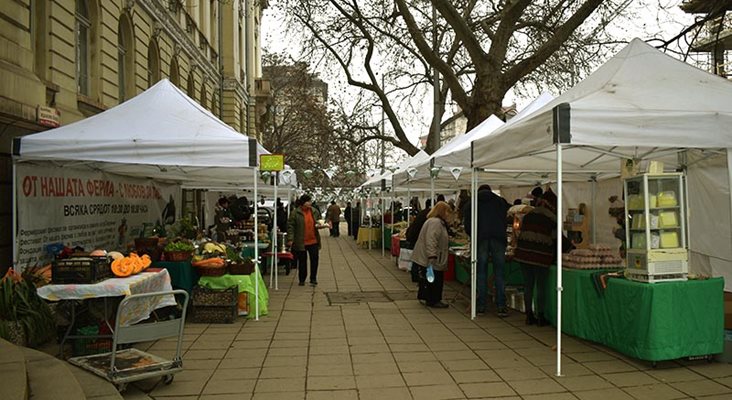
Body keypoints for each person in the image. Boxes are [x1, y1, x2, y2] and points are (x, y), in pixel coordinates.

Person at [514, 190, 560, 326]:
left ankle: (529, 315)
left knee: (528, 285)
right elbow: (556, 239)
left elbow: (521, 232)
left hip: (524, 254)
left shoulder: (529, 215)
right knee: (540, 286)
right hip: (541, 255)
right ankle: (540, 316)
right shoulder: (552, 218)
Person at [463, 184, 510, 316]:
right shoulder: (500, 201)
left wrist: (472, 234)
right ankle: (501, 306)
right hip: (498, 238)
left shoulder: (472, 202)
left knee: (481, 272)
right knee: (499, 273)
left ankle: (481, 305)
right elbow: (506, 218)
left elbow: (467, 223)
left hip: (480, 238)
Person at [411, 201, 452, 308]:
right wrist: (432, 255)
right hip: (432, 257)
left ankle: (426, 297)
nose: (448, 214)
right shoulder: (436, 223)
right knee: (434, 279)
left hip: (429, 256)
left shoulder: (434, 222)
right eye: (447, 212)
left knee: (429, 277)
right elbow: (431, 240)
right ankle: (433, 300)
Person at [287, 194, 322, 286]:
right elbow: (290, 227)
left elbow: (319, 221)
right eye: (308, 201)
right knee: (302, 261)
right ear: (303, 203)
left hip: (313, 240)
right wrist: (290, 239)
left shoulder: (314, 211)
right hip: (301, 241)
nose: (310, 203)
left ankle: (313, 278)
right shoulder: (295, 213)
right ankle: (302, 279)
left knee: (315, 260)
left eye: (310, 201)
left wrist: (321, 225)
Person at [406, 199, 432, 282]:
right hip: (416, 237)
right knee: (418, 258)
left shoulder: (423, 212)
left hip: (414, 235)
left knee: (416, 257)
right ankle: (417, 275)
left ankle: (415, 275)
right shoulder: (429, 214)